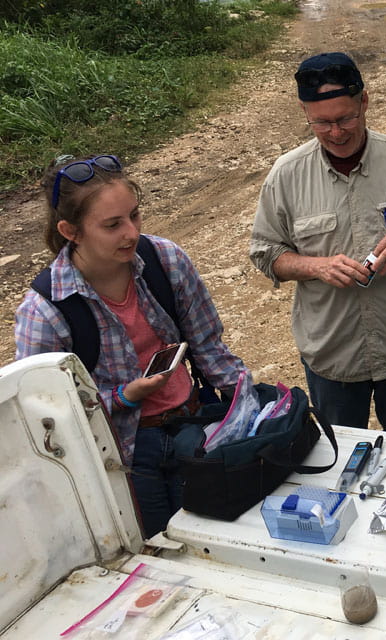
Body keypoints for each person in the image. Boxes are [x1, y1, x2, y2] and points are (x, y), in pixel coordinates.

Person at [15, 154, 247, 538]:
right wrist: (124, 396)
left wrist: (251, 403)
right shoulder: (45, 311)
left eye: (134, 216)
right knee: (155, 550)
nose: (131, 233)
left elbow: (207, 345)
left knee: (217, 538)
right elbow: (45, 414)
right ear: (70, 231)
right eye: (112, 225)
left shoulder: (165, 260)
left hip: (193, 426)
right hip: (123, 455)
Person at [249, 52, 386, 436]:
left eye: (346, 118)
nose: (336, 132)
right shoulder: (287, 175)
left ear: (364, 101)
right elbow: (265, 253)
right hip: (332, 352)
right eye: (322, 122)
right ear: (304, 112)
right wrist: (316, 267)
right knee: (340, 452)